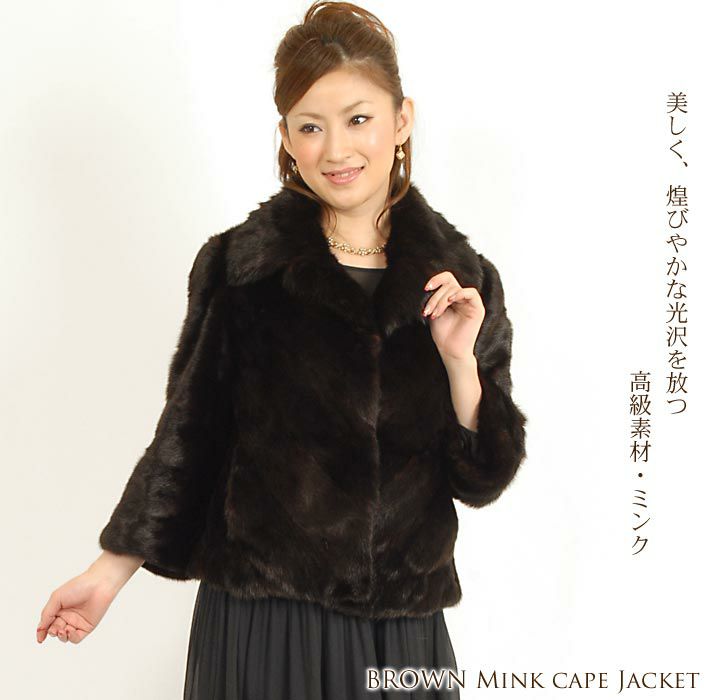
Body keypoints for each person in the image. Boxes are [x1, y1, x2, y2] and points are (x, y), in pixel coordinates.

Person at [36, 2, 527, 698]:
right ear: (287, 138)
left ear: (402, 120)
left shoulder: (463, 282)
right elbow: (189, 437)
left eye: (358, 119)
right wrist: (106, 573)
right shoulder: (242, 268)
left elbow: (481, 477)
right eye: (310, 126)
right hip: (267, 626)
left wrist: (458, 363)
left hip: (403, 631)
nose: (336, 150)